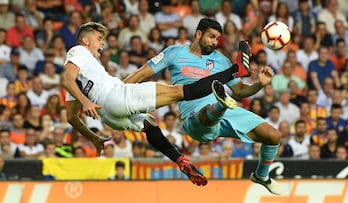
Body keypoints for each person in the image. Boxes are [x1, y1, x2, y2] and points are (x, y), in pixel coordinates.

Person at [62, 22, 243, 186]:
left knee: (150, 124)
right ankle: (235, 70)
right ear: (85, 40)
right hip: (115, 96)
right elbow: (66, 79)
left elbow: (71, 116)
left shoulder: (85, 70)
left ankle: (180, 160)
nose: (103, 43)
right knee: (179, 92)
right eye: (99, 38)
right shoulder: (78, 51)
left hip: (109, 117)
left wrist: (93, 138)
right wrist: (85, 102)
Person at [125, 18, 282, 195]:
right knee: (206, 114)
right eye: (211, 37)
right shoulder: (174, 53)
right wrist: (117, 91)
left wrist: (260, 84)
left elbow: (238, 91)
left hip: (228, 109)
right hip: (194, 118)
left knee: (273, 135)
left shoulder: (221, 60)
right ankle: (220, 105)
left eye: (217, 39)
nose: (214, 42)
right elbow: (142, 73)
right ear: (198, 34)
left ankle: (261, 176)